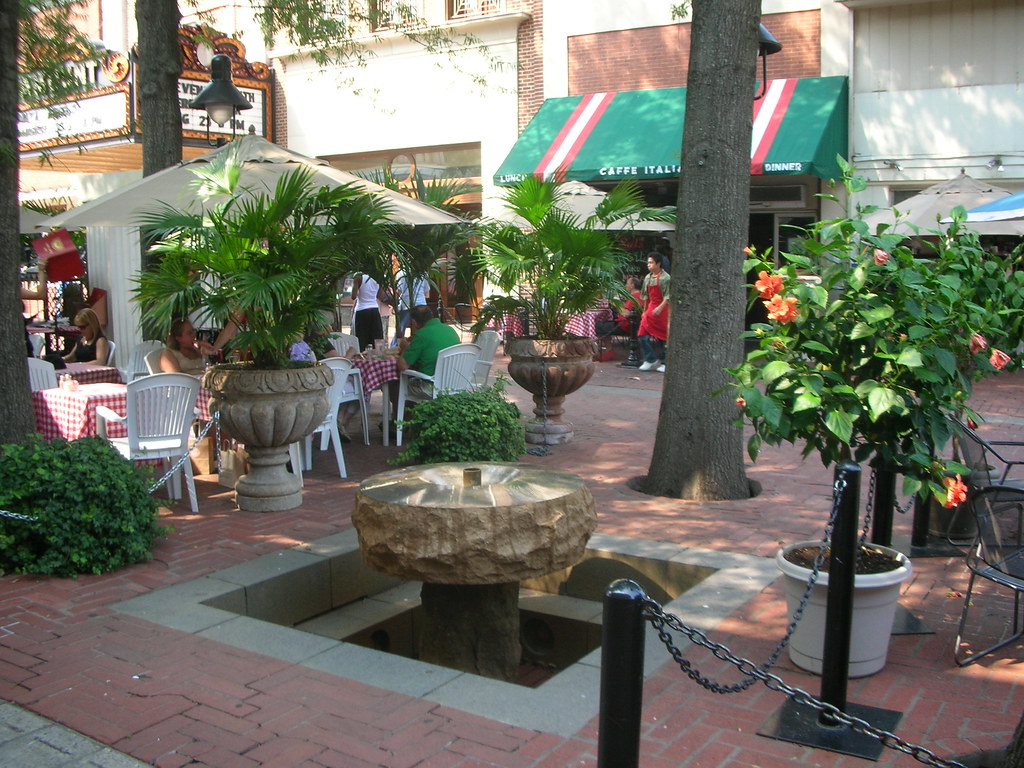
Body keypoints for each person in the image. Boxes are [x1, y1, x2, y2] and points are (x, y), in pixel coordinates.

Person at [390, 304, 460, 412]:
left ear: (413, 322)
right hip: (454, 383)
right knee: (409, 381)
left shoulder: (421, 334)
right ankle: (413, 420)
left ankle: (400, 424)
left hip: (431, 386)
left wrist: (404, 348)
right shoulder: (450, 330)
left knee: (395, 385)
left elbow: (402, 366)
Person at [637, 253, 670, 372]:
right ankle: (650, 359)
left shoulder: (666, 278)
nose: (649, 265)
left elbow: (668, 296)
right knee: (641, 335)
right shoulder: (647, 277)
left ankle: (665, 362)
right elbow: (645, 296)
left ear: (658, 264)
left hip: (662, 310)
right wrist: (644, 311)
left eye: (651, 262)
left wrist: (660, 308)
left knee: (663, 337)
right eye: (648, 263)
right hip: (651, 308)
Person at [351, 273, 385, 352]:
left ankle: (361, 360)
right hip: (374, 310)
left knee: (361, 340)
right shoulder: (378, 277)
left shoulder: (358, 277)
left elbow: (353, 296)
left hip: (361, 310)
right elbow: (380, 296)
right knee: (377, 339)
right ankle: (378, 360)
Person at [394, 269, 429, 340]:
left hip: (406, 303)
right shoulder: (423, 273)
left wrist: (395, 303)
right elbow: (426, 291)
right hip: (420, 303)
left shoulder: (401, 272)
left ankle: (395, 345)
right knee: (422, 328)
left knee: (402, 327)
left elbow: (399, 291)